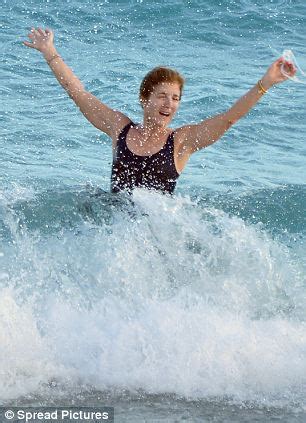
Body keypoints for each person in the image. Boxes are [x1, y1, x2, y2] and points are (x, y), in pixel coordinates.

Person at [23, 28, 296, 194]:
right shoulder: (120, 127)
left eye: (175, 98)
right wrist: (50, 52)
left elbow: (228, 119)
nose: (169, 104)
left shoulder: (181, 142)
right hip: (113, 231)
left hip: (153, 237)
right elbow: (79, 93)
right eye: (162, 96)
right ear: (145, 99)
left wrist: (266, 83)